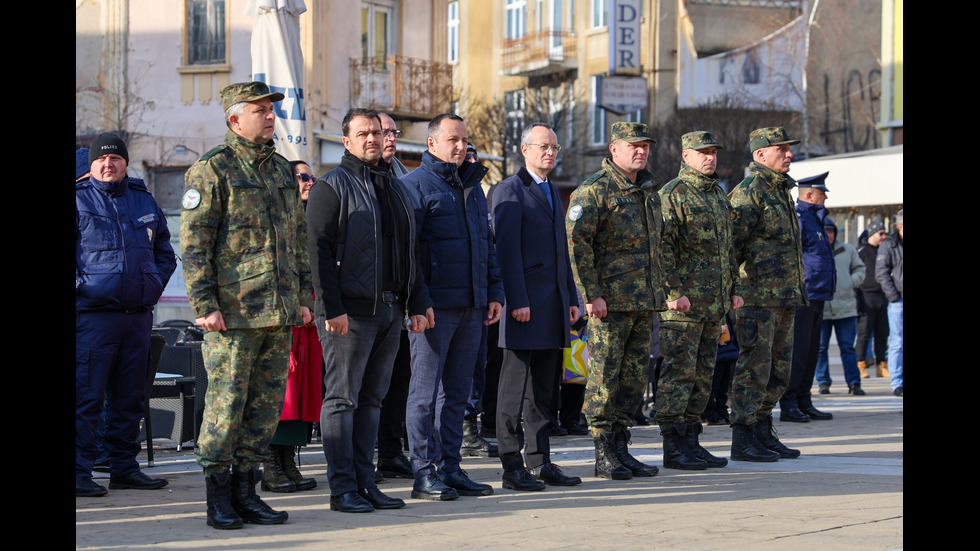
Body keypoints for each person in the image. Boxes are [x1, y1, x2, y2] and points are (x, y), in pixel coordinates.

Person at [181, 81, 313, 528]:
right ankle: (218, 499)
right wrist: (204, 304)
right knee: (225, 408)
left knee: (263, 409)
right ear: (235, 119)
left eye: (271, 109)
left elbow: (297, 241)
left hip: (278, 313)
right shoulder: (212, 170)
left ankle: (247, 494)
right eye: (260, 110)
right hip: (232, 316)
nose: (270, 116)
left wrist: (304, 297)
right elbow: (195, 245)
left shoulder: (280, 170)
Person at [306, 108, 429, 513]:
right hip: (349, 315)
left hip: (391, 311)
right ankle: (342, 488)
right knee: (342, 400)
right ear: (347, 141)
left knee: (373, 400)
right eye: (363, 133)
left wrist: (418, 302)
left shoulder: (395, 187)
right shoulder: (332, 185)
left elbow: (409, 253)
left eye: (377, 132)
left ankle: (365, 482)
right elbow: (318, 252)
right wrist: (331, 308)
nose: (373, 139)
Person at [401, 113, 504, 501]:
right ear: (432, 144)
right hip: (434, 309)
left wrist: (493, 292)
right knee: (424, 394)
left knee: (458, 394)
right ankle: (423, 472)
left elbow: (486, 245)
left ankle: (451, 467)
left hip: (472, 307)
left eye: (464, 139)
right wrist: (418, 301)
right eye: (452, 140)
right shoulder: (414, 186)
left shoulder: (473, 187)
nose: (460, 146)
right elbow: (408, 254)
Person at [76, 133, 177, 497]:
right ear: (91, 166)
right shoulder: (78, 200)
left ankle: (123, 467)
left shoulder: (142, 200)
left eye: (115, 159)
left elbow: (165, 251)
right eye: (101, 160)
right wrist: (83, 289)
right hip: (93, 318)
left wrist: (152, 284)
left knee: (130, 397)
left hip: (138, 316)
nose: (108, 164)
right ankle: (79, 471)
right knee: (87, 397)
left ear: (124, 162)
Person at [566, 121, 666, 480]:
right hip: (610, 302)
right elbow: (579, 247)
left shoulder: (649, 191)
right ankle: (602, 453)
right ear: (614, 149)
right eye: (633, 145)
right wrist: (591, 295)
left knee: (634, 379)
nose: (640, 151)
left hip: (644, 301)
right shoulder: (594, 191)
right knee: (605, 378)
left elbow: (658, 247)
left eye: (645, 146)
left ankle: (622, 450)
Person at [492, 122, 582, 491]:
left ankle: (540, 460)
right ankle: (511, 465)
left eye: (555, 147)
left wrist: (571, 297)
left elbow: (561, 253)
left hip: (554, 305)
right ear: (525, 149)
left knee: (544, 390)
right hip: (525, 307)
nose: (550, 152)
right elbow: (505, 251)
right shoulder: (509, 190)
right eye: (543, 146)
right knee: (514, 389)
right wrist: (517, 300)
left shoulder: (551, 191)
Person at [655, 131, 741, 470]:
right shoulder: (673, 195)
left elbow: (728, 249)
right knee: (679, 376)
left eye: (713, 152)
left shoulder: (718, 196)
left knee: (703, 376)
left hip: (713, 305)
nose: (710, 158)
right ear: (686, 155)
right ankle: (673, 445)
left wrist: (734, 287)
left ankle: (692, 441)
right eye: (703, 153)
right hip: (684, 307)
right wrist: (674, 293)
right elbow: (663, 249)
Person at [728, 126, 807, 462]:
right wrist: (735, 292)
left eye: (789, 149)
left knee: (778, 372)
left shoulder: (781, 191)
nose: (789, 154)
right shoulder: (749, 193)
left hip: (785, 297)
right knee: (754, 370)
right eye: (781, 149)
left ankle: (763, 432)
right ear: (760, 155)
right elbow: (732, 249)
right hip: (757, 299)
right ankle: (743, 439)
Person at [260, 160, 322, 494]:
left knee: (304, 395)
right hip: (284, 317)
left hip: (310, 320)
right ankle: (271, 466)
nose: (309, 182)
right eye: (302, 176)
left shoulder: (314, 216)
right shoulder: (274, 215)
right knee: (282, 395)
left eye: (312, 176)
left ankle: (289, 463)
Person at [374, 112, 417, 481]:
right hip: (366, 303)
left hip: (402, 301)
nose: (389, 138)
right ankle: (357, 461)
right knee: (364, 386)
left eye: (393, 132)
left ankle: (390, 453)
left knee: (399, 380)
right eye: (382, 132)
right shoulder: (347, 180)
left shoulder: (405, 179)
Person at [780, 172, 836, 423]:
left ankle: (804, 399)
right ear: (810, 195)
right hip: (803, 295)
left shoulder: (816, 220)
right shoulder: (801, 219)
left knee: (812, 351)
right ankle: (789, 402)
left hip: (818, 294)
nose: (825, 198)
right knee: (799, 352)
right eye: (822, 194)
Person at [815, 217, 866, 395]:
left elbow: (860, 269)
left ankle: (854, 383)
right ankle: (823, 382)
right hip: (823, 308)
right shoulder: (815, 249)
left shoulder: (847, 249)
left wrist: (850, 282)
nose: (828, 234)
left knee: (847, 347)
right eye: (825, 231)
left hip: (846, 307)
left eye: (831, 231)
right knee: (820, 348)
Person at [855, 221, 890, 379]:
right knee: (864, 334)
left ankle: (881, 365)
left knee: (883, 334)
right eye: (880, 233)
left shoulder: (885, 250)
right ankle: (861, 364)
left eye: (885, 233)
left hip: (883, 296)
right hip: (866, 297)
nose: (883, 236)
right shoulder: (861, 251)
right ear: (872, 234)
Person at [876, 209, 903, 396]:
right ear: (901, 226)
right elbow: (882, 273)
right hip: (898, 301)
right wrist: (894, 296)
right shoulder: (889, 245)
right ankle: (898, 383)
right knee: (897, 343)